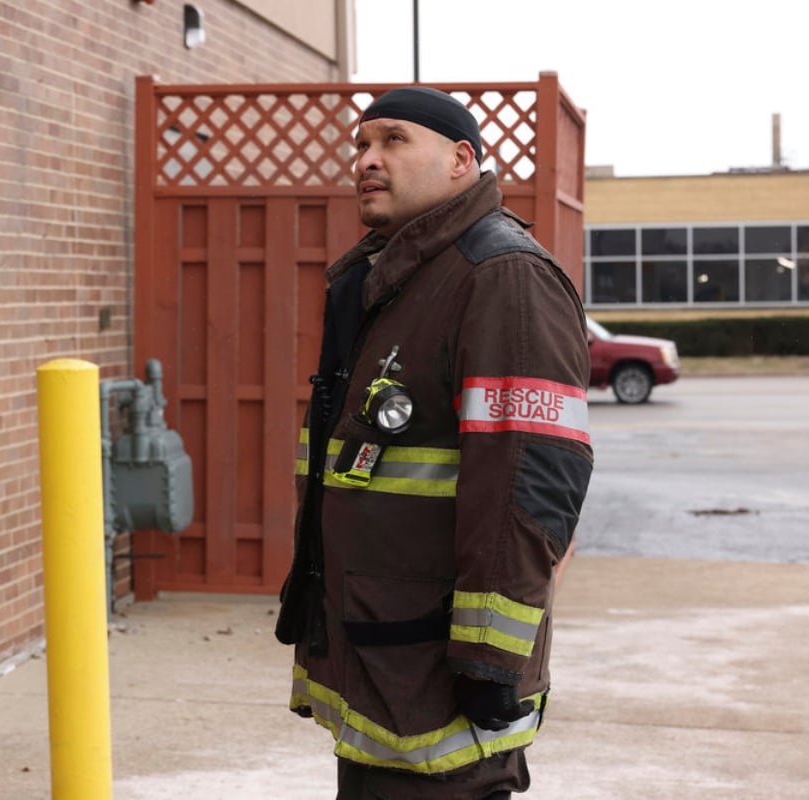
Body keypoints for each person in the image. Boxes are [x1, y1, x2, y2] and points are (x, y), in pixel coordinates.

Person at [274, 86, 594, 799]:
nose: (367, 159)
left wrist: (490, 660)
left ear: (461, 160)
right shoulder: (391, 277)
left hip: (444, 685)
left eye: (393, 140)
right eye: (361, 144)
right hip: (382, 659)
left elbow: (528, 482)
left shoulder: (501, 277)